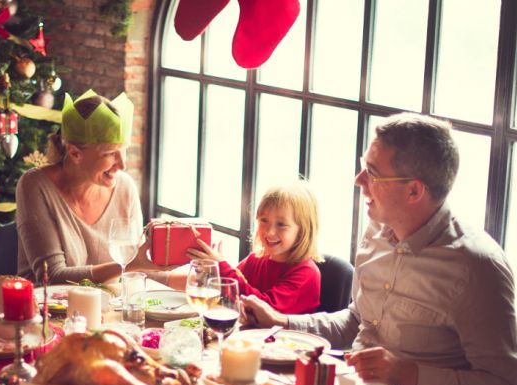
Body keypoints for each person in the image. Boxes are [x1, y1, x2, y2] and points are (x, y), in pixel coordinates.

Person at [243, 113, 517, 385]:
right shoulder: (376, 231)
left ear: (414, 190)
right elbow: (357, 322)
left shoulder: (477, 267)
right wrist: (281, 321)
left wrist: (412, 374)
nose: (358, 180)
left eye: (372, 173)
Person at [16, 89, 164, 283]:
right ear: (75, 153)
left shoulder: (125, 187)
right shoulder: (35, 185)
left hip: (109, 311)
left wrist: (203, 269)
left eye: (124, 150)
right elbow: (53, 276)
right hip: (50, 310)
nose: (122, 164)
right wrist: (131, 264)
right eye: (110, 153)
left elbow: (144, 269)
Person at [187, 180, 321, 314]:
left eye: (281, 225)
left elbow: (265, 310)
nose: (269, 232)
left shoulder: (306, 273)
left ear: (303, 230)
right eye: (264, 220)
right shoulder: (256, 259)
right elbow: (227, 293)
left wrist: (222, 267)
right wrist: (207, 271)